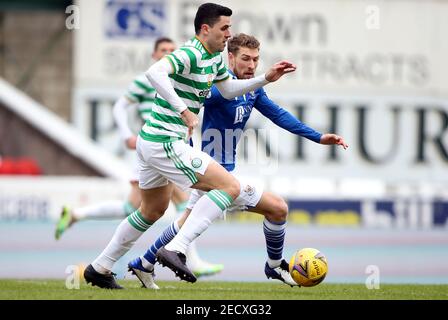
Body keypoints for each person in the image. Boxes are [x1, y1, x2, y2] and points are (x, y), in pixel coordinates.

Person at [83, 2, 297, 289]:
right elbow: (154, 73)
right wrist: (184, 109)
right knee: (228, 187)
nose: (228, 33)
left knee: (151, 211)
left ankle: (100, 267)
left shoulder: (217, 57)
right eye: (224, 28)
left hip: (152, 140)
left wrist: (264, 79)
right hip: (165, 141)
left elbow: (229, 89)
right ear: (205, 29)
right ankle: (176, 248)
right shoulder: (190, 52)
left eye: (230, 27)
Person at [129, 33, 348, 288]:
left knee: (186, 222)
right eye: (245, 59)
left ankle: (143, 264)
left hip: (223, 174)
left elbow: (278, 115)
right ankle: (274, 265)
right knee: (277, 207)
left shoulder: (252, 90)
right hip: (211, 174)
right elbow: (186, 114)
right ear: (230, 57)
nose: (252, 65)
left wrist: (318, 137)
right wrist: (184, 152)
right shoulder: (215, 89)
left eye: (256, 59)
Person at [54, 37, 223, 280]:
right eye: (163, 50)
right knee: (181, 203)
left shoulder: (182, 77)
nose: (168, 53)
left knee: (137, 208)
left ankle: (78, 218)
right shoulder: (147, 81)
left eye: (171, 50)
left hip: (170, 145)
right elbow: (119, 106)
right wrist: (125, 134)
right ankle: (187, 257)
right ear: (154, 55)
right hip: (158, 146)